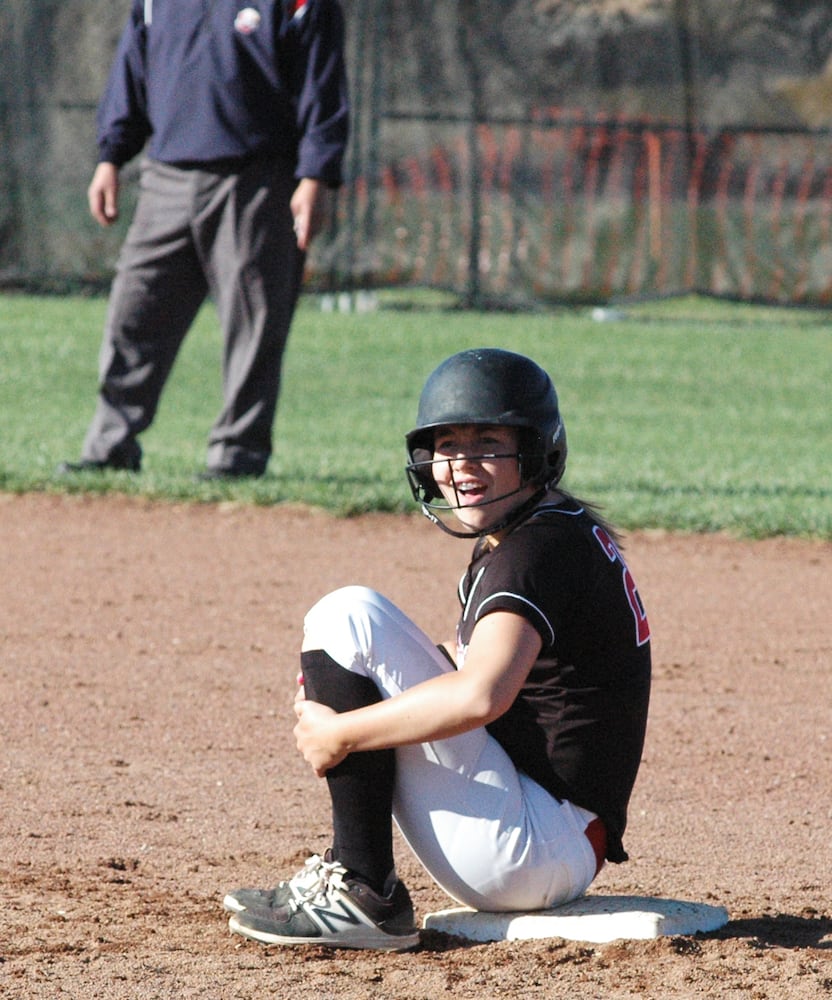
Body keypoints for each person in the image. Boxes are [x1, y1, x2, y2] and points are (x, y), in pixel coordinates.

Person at [224, 347, 652, 951]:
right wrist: (362, 685)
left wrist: (343, 731)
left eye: (486, 444)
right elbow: (465, 662)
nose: (462, 464)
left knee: (347, 615)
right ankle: (359, 883)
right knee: (355, 638)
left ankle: (361, 888)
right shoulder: (549, 530)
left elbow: (480, 694)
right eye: (448, 446)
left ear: (536, 451)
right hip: (555, 834)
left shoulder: (532, 551)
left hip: (533, 844)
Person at [59, 0, 349, 480]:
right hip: (165, 177)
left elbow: (324, 86)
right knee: (134, 315)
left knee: (252, 326)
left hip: (257, 179)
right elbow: (132, 71)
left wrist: (315, 175)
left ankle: (238, 456)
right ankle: (110, 446)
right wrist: (111, 156)